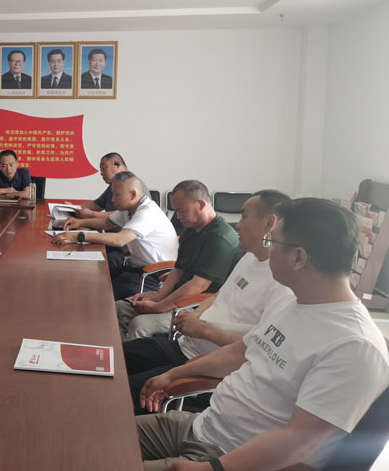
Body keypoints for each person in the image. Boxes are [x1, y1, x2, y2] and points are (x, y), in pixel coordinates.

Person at [137, 198, 389, 471]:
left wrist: (212, 468)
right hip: (201, 426)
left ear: (298, 258)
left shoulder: (355, 346)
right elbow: (239, 353)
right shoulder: (296, 304)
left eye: (272, 241)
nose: (267, 249)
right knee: (105, 435)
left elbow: (299, 443)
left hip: (229, 459)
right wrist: (173, 375)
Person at [125, 190, 293, 414]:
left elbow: (257, 349)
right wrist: (195, 316)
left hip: (205, 366)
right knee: (117, 358)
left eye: (244, 216)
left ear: (269, 223)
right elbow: (217, 295)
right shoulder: (249, 258)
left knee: (121, 391)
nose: (238, 225)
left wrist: (203, 330)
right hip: (184, 345)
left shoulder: (283, 284)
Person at [116, 180, 239, 342]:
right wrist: (158, 296)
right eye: (176, 211)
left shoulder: (220, 238)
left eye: (182, 211)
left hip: (197, 306)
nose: (178, 217)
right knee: (119, 307)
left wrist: (159, 307)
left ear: (201, 204)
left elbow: (199, 285)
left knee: (140, 325)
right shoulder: (191, 229)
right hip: (177, 298)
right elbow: (178, 270)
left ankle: (129, 355)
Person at [55, 172, 178, 299]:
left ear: (133, 194)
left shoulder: (147, 213)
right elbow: (106, 223)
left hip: (155, 274)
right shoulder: (131, 208)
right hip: (137, 267)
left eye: (116, 195)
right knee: (96, 278)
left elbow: (120, 240)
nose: (112, 200)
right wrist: (79, 222)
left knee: (101, 293)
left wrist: (79, 236)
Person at [75, 153, 149, 221]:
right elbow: (96, 205)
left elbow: (121, 215)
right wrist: (73, 208)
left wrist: (92, 214)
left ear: (117, 163)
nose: (101, 173)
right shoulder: (114, 185)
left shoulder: (133, 184)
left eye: (104, 168)